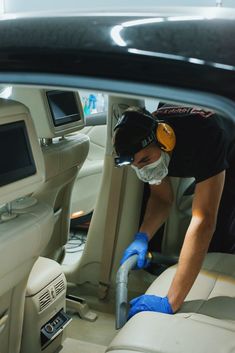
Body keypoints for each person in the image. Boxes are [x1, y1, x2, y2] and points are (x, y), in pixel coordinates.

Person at [113, 104, 235, 318]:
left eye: (145, 161)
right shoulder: (148, 142)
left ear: (165, 139)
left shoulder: (205, 136)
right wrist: (142, 237)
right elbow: (161, 199)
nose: (142, 170)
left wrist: (172, 300)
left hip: (228, 143)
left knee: (221, 231)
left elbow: (204, 221)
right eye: (135, 166)